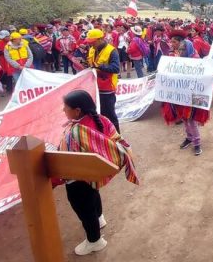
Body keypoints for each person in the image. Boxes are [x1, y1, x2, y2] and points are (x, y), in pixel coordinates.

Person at [60, 90, 138, 256]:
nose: (63, 110)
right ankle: (99, 218)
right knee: (93, 194)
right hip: (96, 173)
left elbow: (67, 160)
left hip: (78, 179)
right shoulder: (102, 119)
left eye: (65, 107)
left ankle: (95, 241)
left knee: (83, 208)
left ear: (77, 111)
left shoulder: (76, 132)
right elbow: (116, 139)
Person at [161, 30, 208, 156]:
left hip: (192, 94)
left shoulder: (195, 59)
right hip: (181, 93)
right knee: (184, 117)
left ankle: (197, 143)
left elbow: (203, 75)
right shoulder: (176, 58)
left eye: (182, 49)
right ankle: (189, 137)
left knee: (191, 118)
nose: (180, 51)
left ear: (187, 48)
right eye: (179, 49)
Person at [85, 29, 121, 133]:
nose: (91, 44)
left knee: (109, 114)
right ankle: (104, 135)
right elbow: (91, 64)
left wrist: (99, 66)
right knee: (97, 114)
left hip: (107, 88)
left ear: (100, 39)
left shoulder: (111, 51)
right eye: (89, 42)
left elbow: (115, 69)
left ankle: (117, 137)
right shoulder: (92, 49)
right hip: (94, 87)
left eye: (93, 42)